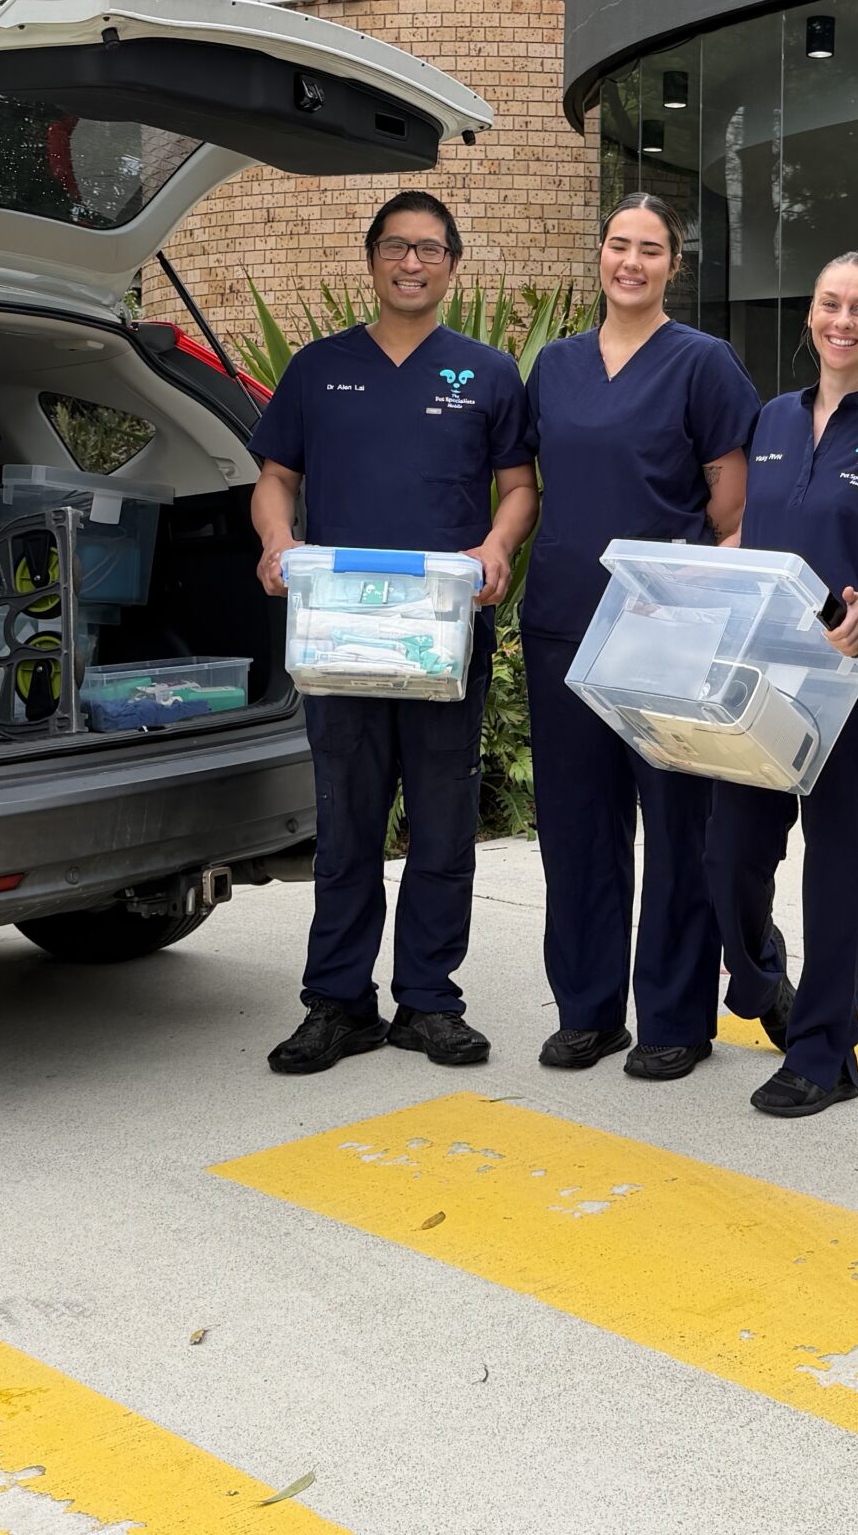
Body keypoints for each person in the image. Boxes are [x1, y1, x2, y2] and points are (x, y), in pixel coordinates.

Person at [250, 191, 539, 1075]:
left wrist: (496, 544)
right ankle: (338, 1003)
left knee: (445, 824)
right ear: (371, 259)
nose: (411, 264)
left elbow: (520, 487)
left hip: (442, 637)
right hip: (344, 639)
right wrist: (277, 542)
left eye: (428, 249)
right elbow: (274, 479)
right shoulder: (317, 368)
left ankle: (428, 1002)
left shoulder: (487, 373)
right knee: (345, 825)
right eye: (395, 248)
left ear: (454, 265)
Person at [521, 194, 758, 1081]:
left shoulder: (704, 365)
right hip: (564, 628)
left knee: (675, 824)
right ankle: (587, 1011)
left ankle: (673, 1017)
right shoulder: (554, 366)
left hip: (666, 631)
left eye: (650, 250)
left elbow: (732, 516)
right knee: (577, 830)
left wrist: (685, 598)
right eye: (619, 245)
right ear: (600, 256)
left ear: (673, 265)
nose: (631, 262)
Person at [708, 252, 858, 1118]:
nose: (844, 320)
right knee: (729, 859)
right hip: (765, 676)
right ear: (810, 315)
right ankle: (764, 983)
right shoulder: (770, 419)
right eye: (830, 303)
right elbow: (752, 535)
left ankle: (826, 1053)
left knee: (837, 863)